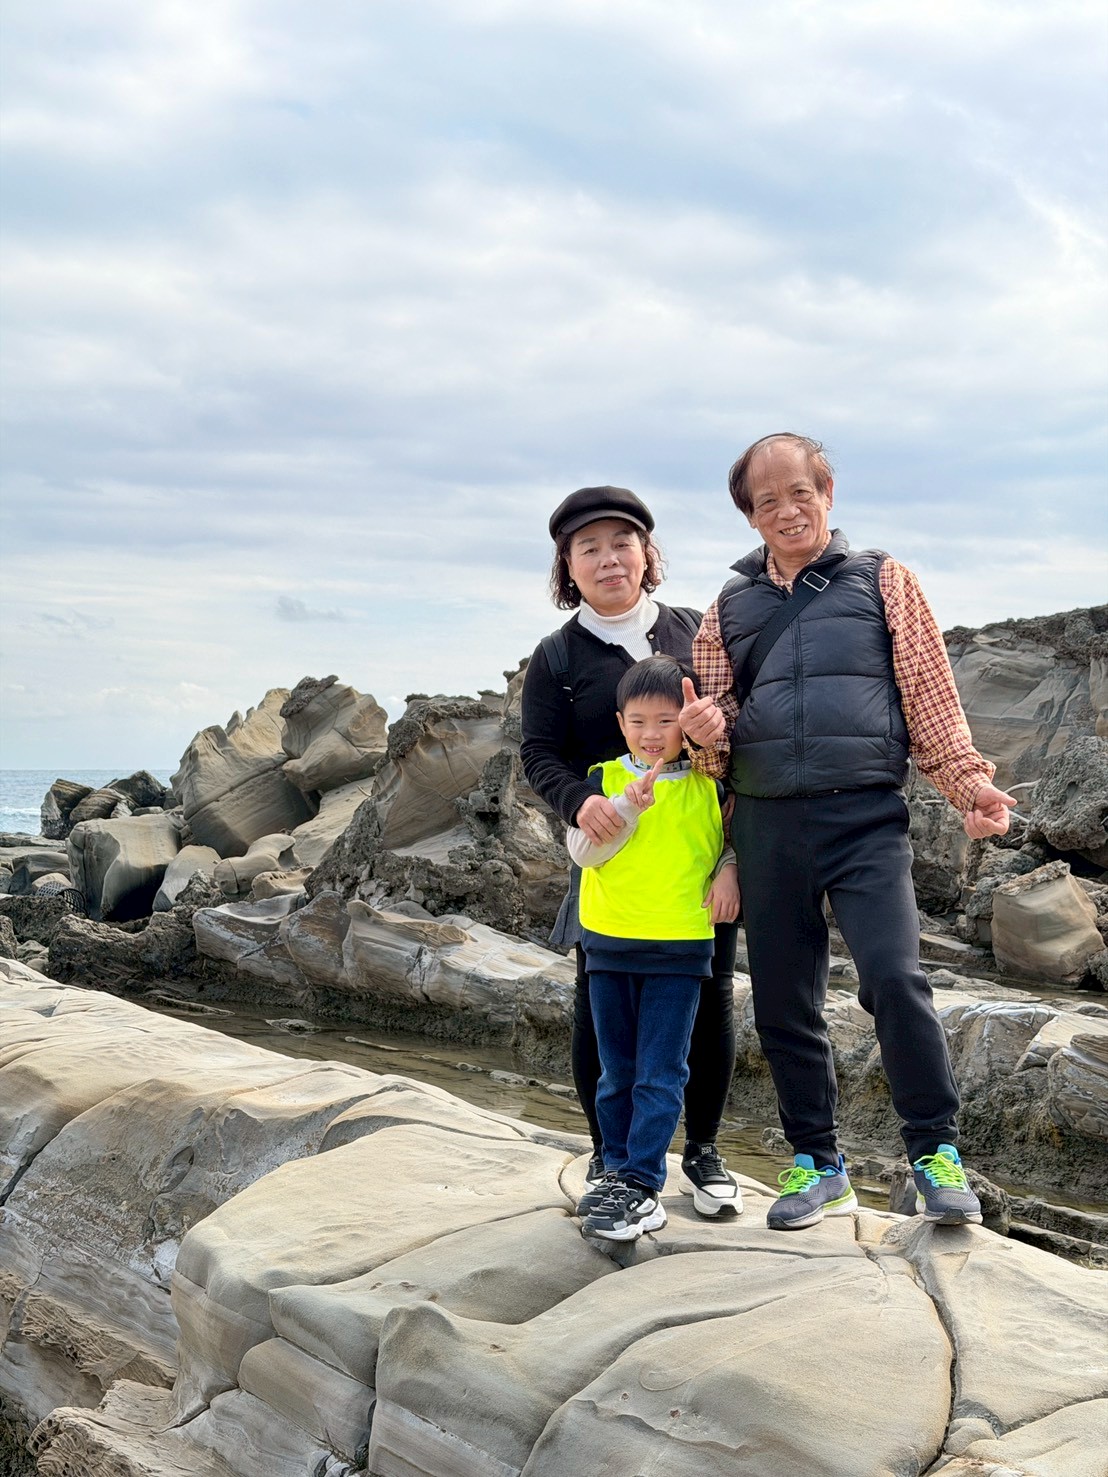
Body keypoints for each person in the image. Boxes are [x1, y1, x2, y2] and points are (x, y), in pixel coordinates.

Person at [680, 432, 1016, 1230]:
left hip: (864, 816)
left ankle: (935, 1153)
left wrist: (970, 786)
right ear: (750, 516)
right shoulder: (725, 609)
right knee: (782, 1001)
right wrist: (702, 732)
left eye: (800, 491)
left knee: (895, 978)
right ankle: (818, 1163)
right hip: (766, 821)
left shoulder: (884, 579)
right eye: (768, 500)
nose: (787, 510)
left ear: (827, 492)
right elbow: (718, 739)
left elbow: (931, 702)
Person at [521, 485, 742, 1217]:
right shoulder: (557, 656)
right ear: (568, 566)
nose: (609, 558)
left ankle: (702, 1149)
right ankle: (609, 1156)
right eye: (589, 547)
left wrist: (733, 858)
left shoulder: (695, 631)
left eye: (623, 542)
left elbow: (741, 737)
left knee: (709, 1002)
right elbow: (539, 752)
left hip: (696, 859)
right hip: (609, 853)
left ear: (648, 554)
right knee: (599, 1012)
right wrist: (575, 801)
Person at [563, 656, 740, 1240]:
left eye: (666, 721)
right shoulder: (601, 780)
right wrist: (625, 810)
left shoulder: (709, 785)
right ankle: (615, 1172)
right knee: (616, 1072)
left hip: (680, 950)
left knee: (660, 1073)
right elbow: (584, 853)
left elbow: (731, 841)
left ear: (686, 723)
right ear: (620, 723)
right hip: (609, 944)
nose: (652, 734)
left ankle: (643, 1184)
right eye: (638, 721)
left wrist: (730, 869)